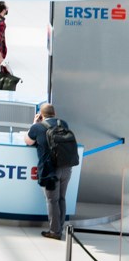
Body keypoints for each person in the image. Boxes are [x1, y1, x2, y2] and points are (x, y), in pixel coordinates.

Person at [25, 102, 78, 240]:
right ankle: (60, 227)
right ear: (54, 113)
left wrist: (34, 123)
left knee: (52, 200)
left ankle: (55, 232)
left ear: (41, 115)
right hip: (66, 167)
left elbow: (28, 141)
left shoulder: (37, 127)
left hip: (50, 171)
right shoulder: (63, 124)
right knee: (61, 198)